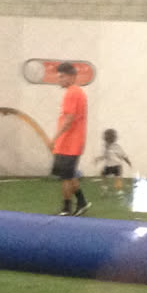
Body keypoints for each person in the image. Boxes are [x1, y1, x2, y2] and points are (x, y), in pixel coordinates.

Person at [53, 62, 89, 215]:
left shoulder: (72, 93)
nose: (59, 80)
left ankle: (67, 208)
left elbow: (69, 120)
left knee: (66, 177)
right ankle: (81, 202)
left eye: (62, 76)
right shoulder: (78, 92)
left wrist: (55, 138)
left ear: (71, 76)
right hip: (71, 143)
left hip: (69, 143)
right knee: (69, 175)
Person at [95, 129, 133, 195]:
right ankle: (105, 187)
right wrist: (98, 159)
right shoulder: (105, 146)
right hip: (109, 165)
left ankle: (119, 190)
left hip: (117, 165)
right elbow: (105, 155)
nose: (106, 139)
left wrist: (128, 162)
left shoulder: (116, 147)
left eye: (108, 137)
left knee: (117, 178)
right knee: (103, 175)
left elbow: (123, 155)